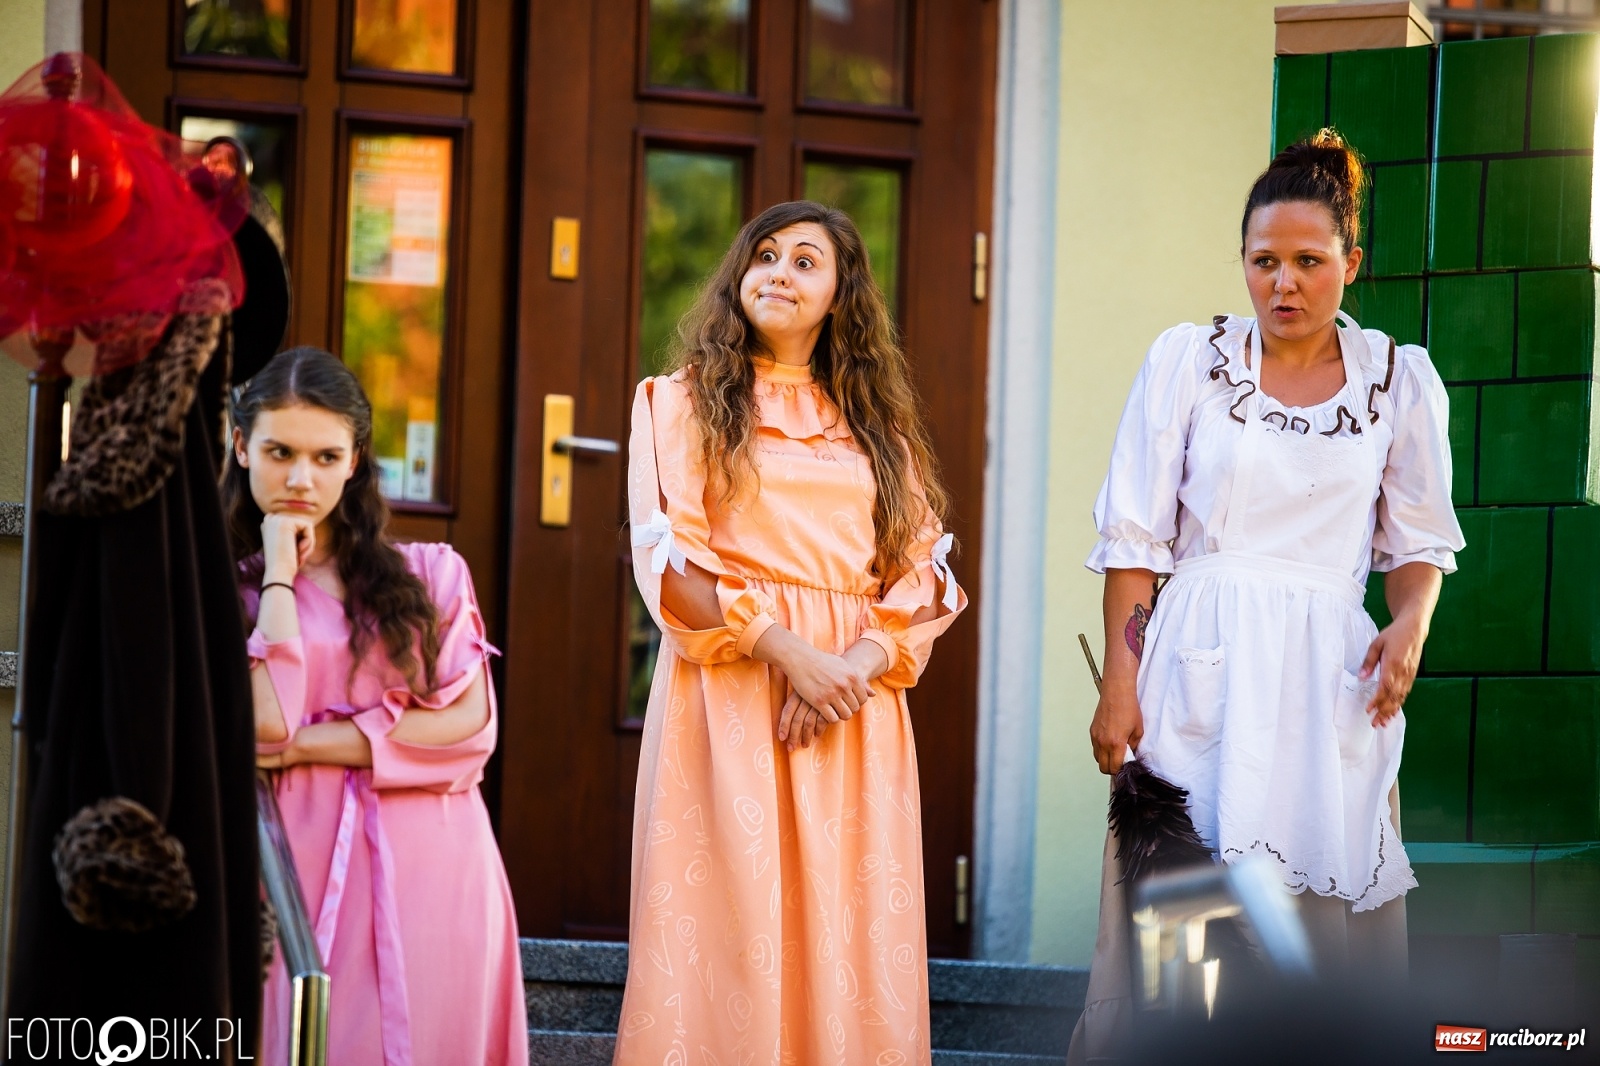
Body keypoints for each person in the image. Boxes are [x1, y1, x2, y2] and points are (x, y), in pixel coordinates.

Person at [1069, 131, 1465, 1060]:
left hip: (1327, 677)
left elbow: (1416, 542)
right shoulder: (1188, 363)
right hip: (1200, 670)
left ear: (1350, 264)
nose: (1284, 283)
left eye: (1308, 262)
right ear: (1242, 262)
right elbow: (1135, 537)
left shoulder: (1397, 382)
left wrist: (1411, 620)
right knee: (1191, 923)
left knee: (1317, 927)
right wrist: (1119, 688)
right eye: (1264, 262)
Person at [617, 200, 966, 1064]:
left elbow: (926, 574)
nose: (778, 271)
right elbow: (668, 561)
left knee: (843, 931)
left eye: (806, 260)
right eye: (764, 255)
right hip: (732, 693)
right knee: (729, 926)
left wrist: (849, 665)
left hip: (854, 707)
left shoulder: (879, 430)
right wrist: (789, 653)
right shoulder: (678, 403)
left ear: (843, 294)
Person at [226, 347, 527, 1066]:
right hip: (296, 859)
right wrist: (277, 575)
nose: (301, 479)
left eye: (326, 457)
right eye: (279, 452)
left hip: (438, 868)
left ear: (355, 461)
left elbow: (471, 731)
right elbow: (267, 721)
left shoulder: (433, 575)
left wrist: (307, 747)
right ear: (240, 446)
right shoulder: (219, 589)